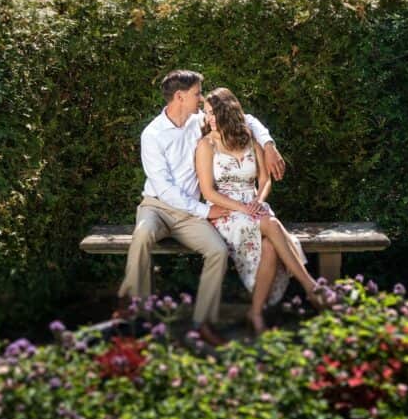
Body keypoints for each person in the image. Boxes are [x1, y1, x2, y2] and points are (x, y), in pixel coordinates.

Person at [118, 70, 285, 346]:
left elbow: (246, 120)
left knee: (217, 251)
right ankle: (136, 309)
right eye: (197, 93)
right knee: (143, 232)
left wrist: (268, 144)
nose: (201, 98)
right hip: (157, 207)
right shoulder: (153, 134)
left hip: (190, 213)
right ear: (180, 96)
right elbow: (164, 189)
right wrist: (205, 211)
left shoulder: (199, 122)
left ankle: (201, 323)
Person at [195, 87, 320, 335]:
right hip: (226, 211)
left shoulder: (250, 138)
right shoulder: (206, 145)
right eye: (206, 113)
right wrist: (243, 207)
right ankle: (311, 288)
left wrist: (259, 201)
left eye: (213, 113)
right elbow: (208, 192)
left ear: (227, 112)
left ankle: (255, 313)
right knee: (271, 224)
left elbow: (265, 180)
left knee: (272, 246)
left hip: (255, 205)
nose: (208, 118)